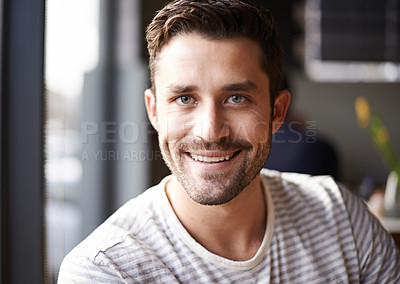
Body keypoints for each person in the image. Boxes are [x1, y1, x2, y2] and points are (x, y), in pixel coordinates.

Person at [58, 0, 400, 282]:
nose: (210, 131)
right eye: (184, 98)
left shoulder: (343, 221)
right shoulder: (104, 270)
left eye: (236, 98)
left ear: (277, 112)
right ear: (154, 112)